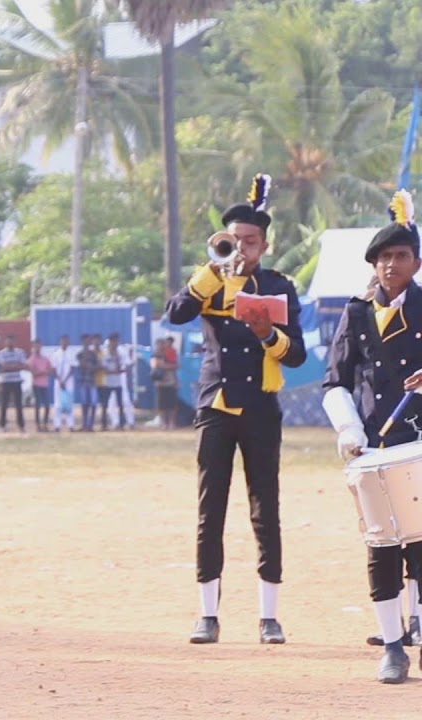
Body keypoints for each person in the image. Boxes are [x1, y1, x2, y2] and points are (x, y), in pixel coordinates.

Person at [165, 174, 306, 645]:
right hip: (216, 405)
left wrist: (268, 333)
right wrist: (211, 270)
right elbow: (176, 313)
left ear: (264, 245)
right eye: (233, 240)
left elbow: (297, 355)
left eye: (249, 241)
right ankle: (208, 614)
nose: (241, 248)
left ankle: (269, 616)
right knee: (211, 509)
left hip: (262, 408)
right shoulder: (210, 283)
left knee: (266, 509)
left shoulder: (279, 286)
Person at [323, 190, 422, 683]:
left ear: (416, 262)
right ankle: (392, 646)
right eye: (383, 257)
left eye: (400, 255)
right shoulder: (356, 313)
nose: (390, 264)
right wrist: (347, 427)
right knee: (381, 547)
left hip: (419, 442)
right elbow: (335, 379)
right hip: (374, 447)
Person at [0, 335, 27, 433]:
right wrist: (15, 366)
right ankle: (2, 425)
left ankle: (21, 425)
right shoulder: (1, 353)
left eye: (11, 341)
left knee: (19, 404)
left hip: (16, 381)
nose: (10, 343)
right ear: (5, 342)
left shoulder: (20, 352)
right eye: (8, 341)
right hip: (5, 381)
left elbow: (22, 365)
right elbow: (3, 367)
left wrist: (10, 367)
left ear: (14, 342)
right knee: (4, 404)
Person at [153, 338, 180, 429]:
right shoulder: (156, 355)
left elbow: (177, 365)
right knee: (162, 404)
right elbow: (156, 365)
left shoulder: (171, 353)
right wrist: (169, 366)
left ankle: (172, 423)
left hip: (171, 382)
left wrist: (167, 366)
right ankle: (163, 422)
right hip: (161, 383)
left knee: (172, 404)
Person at [50, 335, 76, 432]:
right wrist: (60, 380)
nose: (65, 343)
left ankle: (71, 425)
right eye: (63, 341)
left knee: (69, 403)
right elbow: (53, 369)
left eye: (67, 341)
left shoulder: (71, 353)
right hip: (58, 382)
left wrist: (65, 380)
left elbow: (72, 369)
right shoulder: (56, 354)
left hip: (68, 381)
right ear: (60, 342)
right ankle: (57, 425)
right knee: (58, 404)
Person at [27, 340, 53, 432]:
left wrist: (42, 372)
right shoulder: (31, 359)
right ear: (33, 347)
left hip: (45, 384)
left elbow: (51, 370)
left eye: (39, 346)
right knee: (37, 406)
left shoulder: (45, 359)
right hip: (36, 385)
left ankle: (45, 424)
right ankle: (37, 425)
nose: (37, 348)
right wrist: (43, 372)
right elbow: (33, 373)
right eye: (35, 346)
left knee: (47, 405)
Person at [75, 335, 99, 431]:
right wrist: (87, 363)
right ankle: (85, 424)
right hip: (84, 381)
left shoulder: (93, 354)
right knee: (85, 403)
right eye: (85, 341)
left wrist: (91, 367)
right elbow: (81, 365)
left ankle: (91, 425)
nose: (87, 343)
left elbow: (97, 366)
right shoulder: (80, 354)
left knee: (93, 403)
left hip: (92, 381)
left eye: (88, 341)